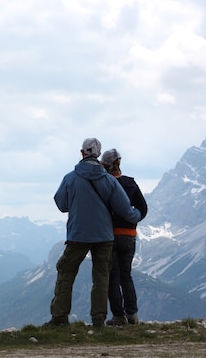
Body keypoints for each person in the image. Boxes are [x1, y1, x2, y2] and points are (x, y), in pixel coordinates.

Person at [44, 138, 143, 328]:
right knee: (101, 277)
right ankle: (98, 320)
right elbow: (124, 209)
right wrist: (137, 215)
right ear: (98, 155)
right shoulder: (107, 180)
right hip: (104, 236)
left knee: (65, 272)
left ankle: (59, 318)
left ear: (82, 153)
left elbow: (62, 204)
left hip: (78, 235)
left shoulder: (70, 178)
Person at [101, 148, 148, 326]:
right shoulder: (130, 184)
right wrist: (132, 220)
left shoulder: (105, 184)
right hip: (129, 236)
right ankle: (133, 315)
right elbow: (143, 209)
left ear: (105, 165)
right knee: (126, 275)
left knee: (113, 276)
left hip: (110, 236)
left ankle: (118, 316)